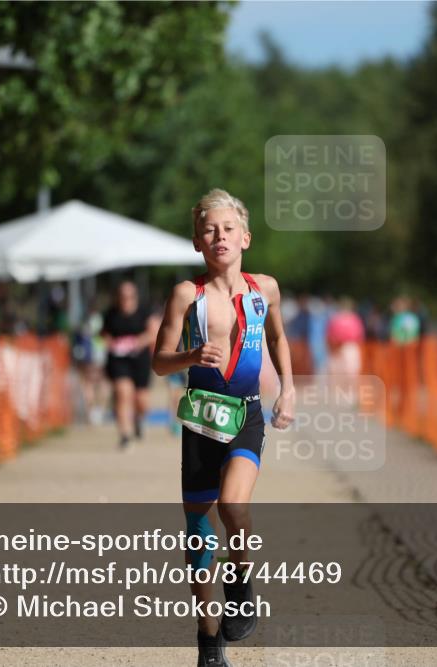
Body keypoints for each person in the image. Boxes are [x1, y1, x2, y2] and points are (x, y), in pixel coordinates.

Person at [152, 188, 295, 667]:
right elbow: (158, 362)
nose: (219, 237)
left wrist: (288, 389)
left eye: (228, 229)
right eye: (209, 230)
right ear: (197, 242)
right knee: (198, 532)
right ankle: (208, 641)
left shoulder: (264, 290)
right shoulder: (185, 296)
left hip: (246, 413)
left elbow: (276, 337)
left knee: (234, 505)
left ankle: (241, 580)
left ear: (245, 238)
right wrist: (192, 356)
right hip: (201, 419)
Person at [102, 280, 158, 449]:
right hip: (118, 360)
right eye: (122, 296)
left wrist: (137, 342)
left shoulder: (144, 312)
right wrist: (112, 343)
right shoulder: (110, 314)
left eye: (129, 296)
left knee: (142, 401)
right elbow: (104, 335)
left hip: (140, 359)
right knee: (122, 393)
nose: (126, 299)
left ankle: (138, 419)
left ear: (135, 296)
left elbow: (153, 333)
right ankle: (125, 435)